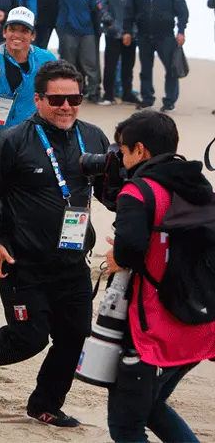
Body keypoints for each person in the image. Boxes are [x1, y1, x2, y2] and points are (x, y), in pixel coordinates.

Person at [0, 60, 110, 428]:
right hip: (20, 260)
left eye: (73, 98)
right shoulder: (13, 140)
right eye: (57, 99)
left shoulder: (93, 138)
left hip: (73, 259)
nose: (66, 107)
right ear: (39, 99)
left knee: (74, 336)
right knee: (29, 338)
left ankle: (45, 404)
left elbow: (112, 191)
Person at [103, 110, 215, 442]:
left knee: (126, 425)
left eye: (123, 151)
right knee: (150, 407)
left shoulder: (138, 191)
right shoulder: (198, 185)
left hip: (153, 326)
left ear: (141, 150)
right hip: (199, 319)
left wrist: (115, 257)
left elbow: (128, 252)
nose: (121, 158)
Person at [0, 7, 56, 259]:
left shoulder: (47, 60)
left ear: (33, 36)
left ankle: (16, 238)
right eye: (13, 29)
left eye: (24, 31)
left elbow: (59, 92)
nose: (18, 35)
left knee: (24, 191)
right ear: (4, 32)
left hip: (32, 136)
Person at [123, 0, 188, 113]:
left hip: (165, 35)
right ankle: (147, 99)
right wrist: (127, 31)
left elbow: (182, 11)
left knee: (171, 69)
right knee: (145, 69)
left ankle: (169, 101)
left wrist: (181, 31)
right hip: (144, 35)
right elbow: (129, 11)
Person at [53, 0, 102, 103]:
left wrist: (98, 4)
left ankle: (94, 92)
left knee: (91, 63)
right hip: (67, 27)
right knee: (69, 63)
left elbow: (93, 2)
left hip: (86, 28)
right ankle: (70, 92)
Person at [99, 0, 140, 105]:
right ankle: (108, 94)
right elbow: (101, 2)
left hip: (132, 30)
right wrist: (108, 22)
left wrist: (134, 27)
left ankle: (127, 93)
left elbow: (140, 5)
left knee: (128, 64)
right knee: (111, 63)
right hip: (113, 28)